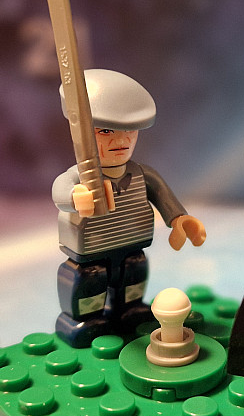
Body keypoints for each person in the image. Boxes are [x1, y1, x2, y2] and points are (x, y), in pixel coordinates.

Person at [52, 69, 206, 347]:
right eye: (106, 131)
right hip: (91, 250)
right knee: (90, 279)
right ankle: (85, 320)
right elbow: (60, 191)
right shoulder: (81, 177)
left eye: (129, 132)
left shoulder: (141, 174)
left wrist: (179, 219)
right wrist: (77, 197)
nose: (121, 141)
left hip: (131, 244)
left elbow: (163, 196)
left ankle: (129, 309)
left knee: (133, 272)